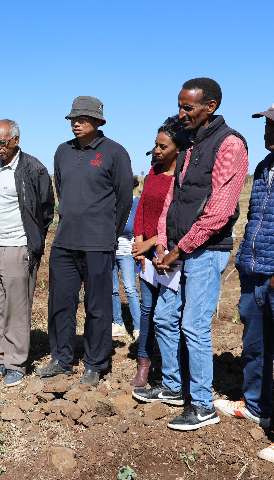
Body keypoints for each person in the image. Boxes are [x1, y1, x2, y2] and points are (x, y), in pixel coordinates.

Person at [133, 78, 249, 431]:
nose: (181, 113)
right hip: (179, 250)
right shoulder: (190, 145)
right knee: (167, 318)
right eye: (180, 106)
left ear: (209, 107)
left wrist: (181, 248)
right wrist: (165, 243)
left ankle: (202, 405)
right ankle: (172, 385)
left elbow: (219, 211)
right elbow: (174, 199)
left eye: (188, 107)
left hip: (206, 250)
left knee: (194, 325)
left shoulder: (230, 144)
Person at [37, 96, 133, 387]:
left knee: (98, 306)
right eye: (72, 119)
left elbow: (124, 198)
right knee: (60, 304)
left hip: (98, 243)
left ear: (98, 121)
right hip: (65, 242)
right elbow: (61, 191)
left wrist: (107, 233)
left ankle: (95, 363)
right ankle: (61, 360)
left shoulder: (115, 153)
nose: (76, 123)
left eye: (82, 119)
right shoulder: (62, 152)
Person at [0, 119, 55, 387]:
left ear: (16, 140)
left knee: (17, 310)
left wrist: (32, 243)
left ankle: (16, 364)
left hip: (17, 248)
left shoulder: (33, 169)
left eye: (2, 142)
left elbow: (45, 210)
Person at [215, 103, 274, 461]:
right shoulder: (265, 167)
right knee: (255, 344)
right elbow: (255, 218)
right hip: (255, 272)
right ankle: (256, 405)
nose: (266, 129)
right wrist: (243, 260)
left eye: (272, 124)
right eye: (266, 123)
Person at [129, 118, 188, 387]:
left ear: (179, 147)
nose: (157, 151)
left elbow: (172, 220)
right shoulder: (153, 171)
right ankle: (144, 361)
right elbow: (141, 210)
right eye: (155, 145)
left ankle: (173, 367)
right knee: (146, 308)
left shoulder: (182, 178)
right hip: (147, 252)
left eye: (162, 146)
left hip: (168, 253)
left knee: (168, 312)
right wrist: (139, 245)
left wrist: (151, 244)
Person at [112, 178, 141, 340]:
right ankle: (118, 324)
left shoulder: (135, 202)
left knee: (130, 288)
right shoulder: (111, 202)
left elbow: (130, 227)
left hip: (127, 252)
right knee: (112, 289)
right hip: (111, 251)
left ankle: (138, 327)